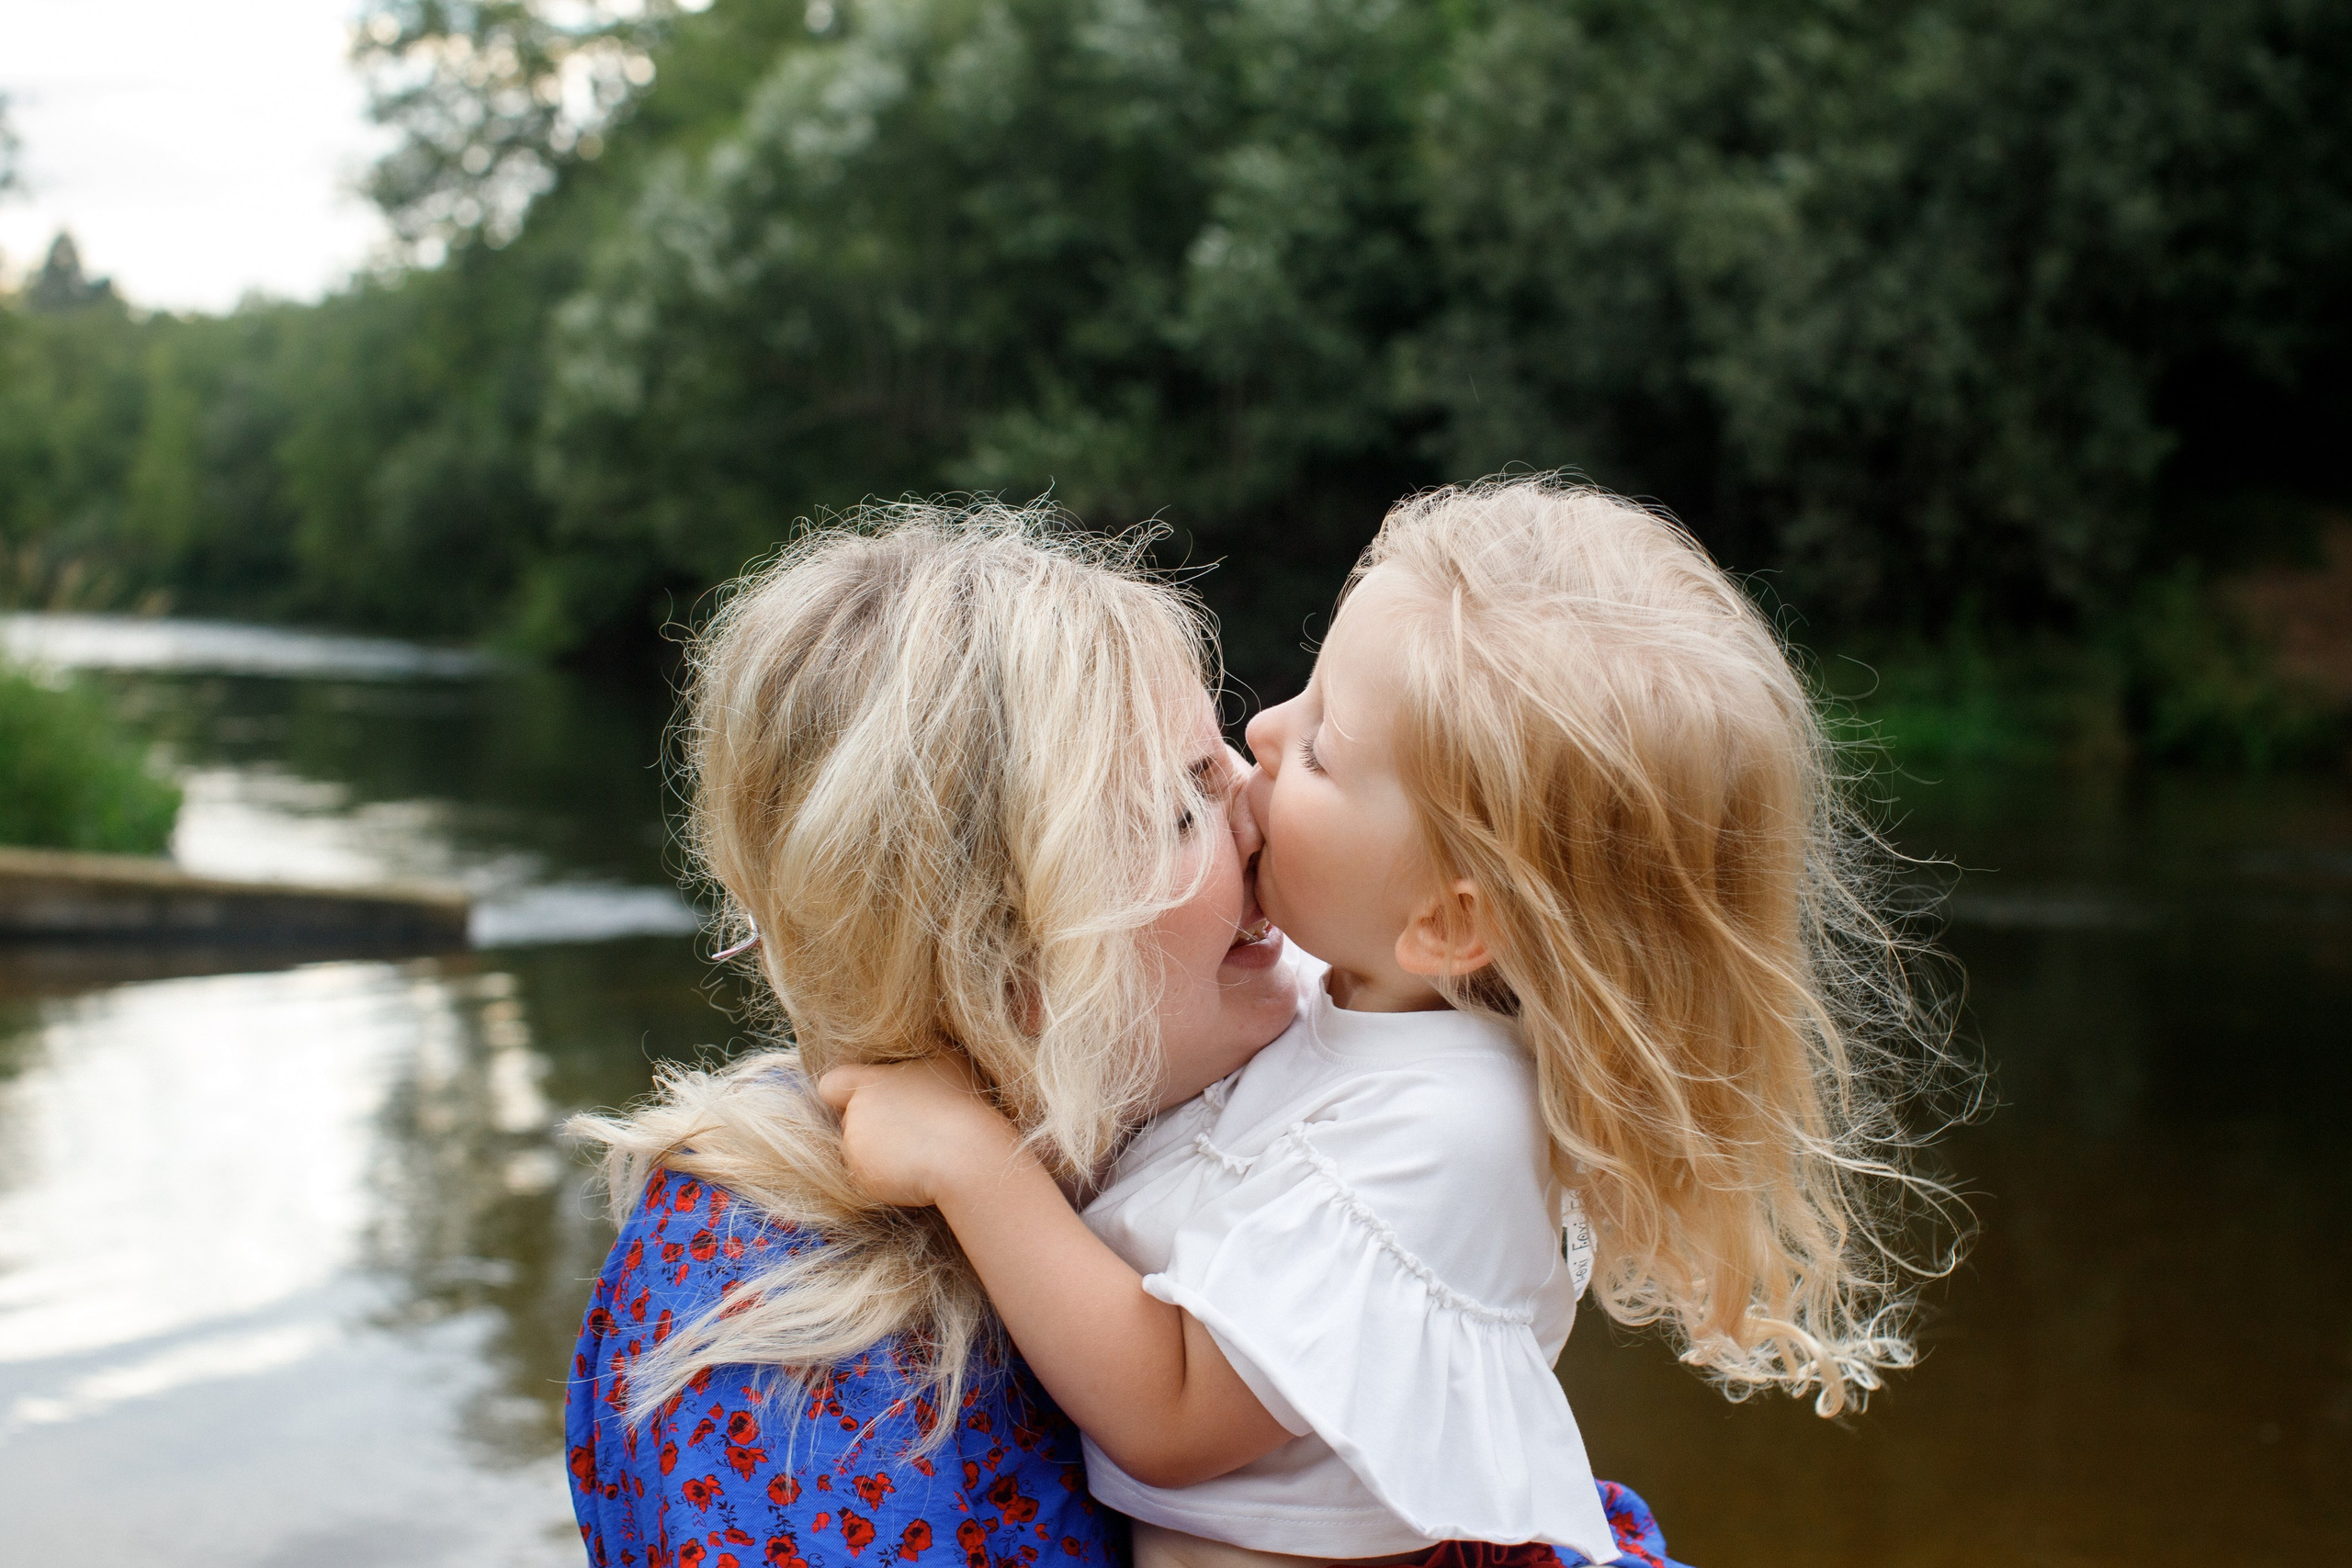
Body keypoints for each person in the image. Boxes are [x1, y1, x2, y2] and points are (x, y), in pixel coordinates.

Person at [822, 477, 1958, 1566]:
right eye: (1301, 699)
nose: (1260, 731)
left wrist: (973, 1161)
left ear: (1450, 922)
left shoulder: (1445, 1124)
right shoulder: (1356, 992)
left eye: (1318, 747)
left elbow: (1167, 1409)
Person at [562, 504, 1303, 1568]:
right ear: (996, 960)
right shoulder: (815, 1387)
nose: (1261, 813)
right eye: (1183, 805)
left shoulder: (1154, 1140)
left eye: (1221, 757)